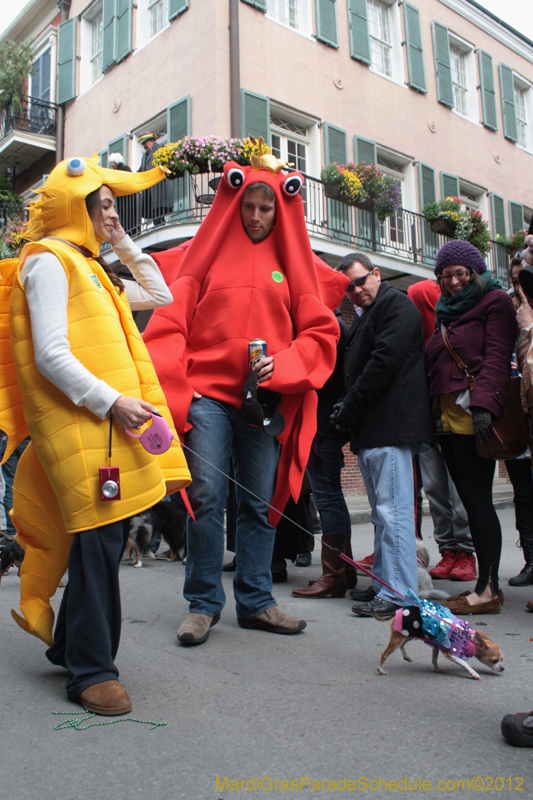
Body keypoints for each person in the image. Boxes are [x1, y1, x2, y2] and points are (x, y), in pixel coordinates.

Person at [0, 155, 191, 714]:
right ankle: (90, 672)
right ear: (74, 204)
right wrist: (113, 402)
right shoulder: (49, 263)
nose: (111, 214)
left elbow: (160, 295)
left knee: (97, 540)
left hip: (103, 426)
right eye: (103, 204)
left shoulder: (89, 268)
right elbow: (51, 353)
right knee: (99, 539)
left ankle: (71, 648)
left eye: (114, 206)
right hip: (84, 423)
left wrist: (123, 239)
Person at [144, 146, 347, 645]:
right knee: (207, 496)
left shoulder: (291, 267)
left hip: (264, 403)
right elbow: (168, 325)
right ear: (235, 205)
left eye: (266, 208)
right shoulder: (204, 260)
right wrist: (175, 389)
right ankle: (203, 604)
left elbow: (321, 334)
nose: (256, 216)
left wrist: (286, 364)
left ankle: (256, 601)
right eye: (249, 206)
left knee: (259, 503)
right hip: (208, 397)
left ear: (279, 211)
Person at [330, 253, 434, 619]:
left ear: (376, 273)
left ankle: (401, 594)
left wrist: (348, 407)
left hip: (390, 427)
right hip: (373, 430)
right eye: (349, 287)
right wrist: (348, 407)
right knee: (383, 515)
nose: (356, 290)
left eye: (360, 281)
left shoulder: (396, 306)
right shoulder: (370, 314)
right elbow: (360, 371)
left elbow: (382, 364)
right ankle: (385, 585)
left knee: (394, 515)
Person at [425, 240, 516, 615]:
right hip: (446, 416)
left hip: (473, 415)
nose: (453, 283)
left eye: (460, 274)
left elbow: (497, 354)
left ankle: (489, 588)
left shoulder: (495, 301)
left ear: (475, 272)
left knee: (477, 503)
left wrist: (484, 408)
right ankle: (484, 586)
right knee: (468, 500)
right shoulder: (443, 310)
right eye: (445, 277)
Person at [407, 279, 476, 582]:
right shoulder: (418, 341)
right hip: (428, 422)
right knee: (435, 489)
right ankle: (448, 549)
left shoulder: (449, 333)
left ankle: (465, 551)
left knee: (458, 490)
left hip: (456, 419)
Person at [291, 309, 358, 598]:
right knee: (332, 498)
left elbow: (316, 377)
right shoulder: (334, 325)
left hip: (322, 426)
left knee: (328, 499)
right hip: (327, 423)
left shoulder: (326, 327)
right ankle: (345, 571)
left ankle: (334, 576)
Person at [503, 256, 533, 587]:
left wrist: (528, 327)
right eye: (514, 281)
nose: (518, 287)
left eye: (522, 280)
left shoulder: (525, 320)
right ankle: (531, 561)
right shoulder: (510, 316)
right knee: (522, 496)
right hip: (517, 421)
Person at [137, 132, 173, 226]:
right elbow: (141, 169)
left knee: (159, 211)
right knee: (154, 213)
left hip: (159, 187)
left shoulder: (160, 147)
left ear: (151, 140)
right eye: (142, 144)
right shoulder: (144, 156)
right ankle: (157, 226)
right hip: (150, 190)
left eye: (145, 142)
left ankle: (161, 225)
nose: (144, 145)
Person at [109, 152, 136, 235]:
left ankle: (131, 232)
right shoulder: (117, 172)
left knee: (129, 218)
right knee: (124, 218)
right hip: (123, 202)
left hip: (128, 201)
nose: (112, 168)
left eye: (113, 166)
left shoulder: (125, 169)